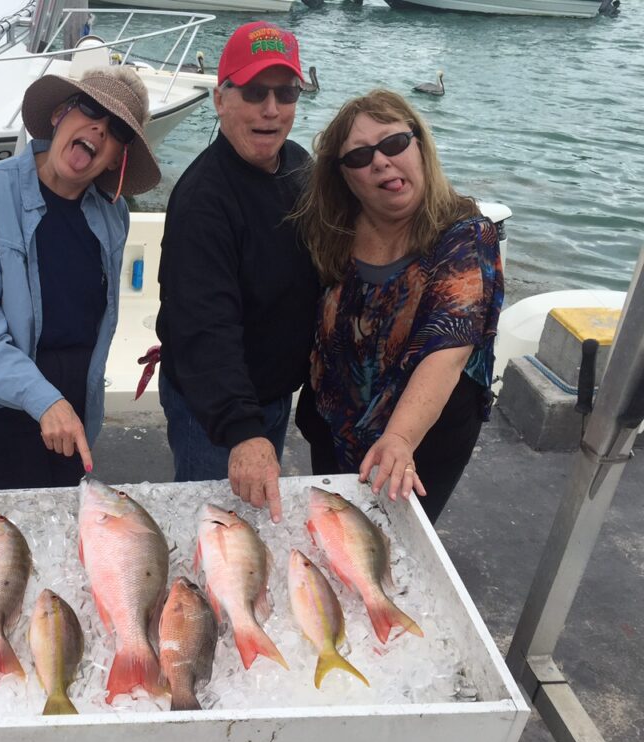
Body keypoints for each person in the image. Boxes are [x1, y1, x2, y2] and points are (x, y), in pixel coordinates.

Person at [0, 68, 161, 491]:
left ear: (118, 156)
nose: (99, 127)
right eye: (90, 108)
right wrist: (45, 401)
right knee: (11, 540)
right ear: (60, 114)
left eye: (116, 128)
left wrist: (67, 405)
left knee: (63, 531)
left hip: (69, 409)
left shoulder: (113, 213)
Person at [292, 89, 504, 524]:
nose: (380, 161)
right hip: (333, 430)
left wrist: (400, 439)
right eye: (359, 156)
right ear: (346, 177)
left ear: (420, 146)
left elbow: (448, 348)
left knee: (387, 552)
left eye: (393, 143)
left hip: (416, 446)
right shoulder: (334, 232)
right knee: (334, 538)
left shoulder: (465, 235)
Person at [154, 21, 328, 523]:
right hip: (215, 407)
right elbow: (205, 325)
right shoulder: (205, 200)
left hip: (271, 394)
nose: (271, 109)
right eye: (254, 92)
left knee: (252, 519)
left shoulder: (299, 165)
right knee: (217, 527)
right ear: (220, 99)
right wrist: (242, 430)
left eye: (285, 92)